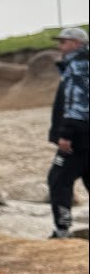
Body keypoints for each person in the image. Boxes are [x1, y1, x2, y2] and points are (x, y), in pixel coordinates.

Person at [47, 26, 89, 239]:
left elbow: (78, 104)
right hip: (85, 136)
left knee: (58, 180)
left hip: (77, 139)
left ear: (76, 44)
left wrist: (66, 134)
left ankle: (62, 230)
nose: (59, 46)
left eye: (63, 42)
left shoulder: (78, 66)